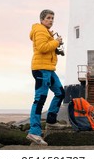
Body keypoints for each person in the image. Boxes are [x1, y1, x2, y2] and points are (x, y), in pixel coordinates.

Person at [26, 9, 65, 146]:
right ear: (42, 19)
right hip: (41, 69)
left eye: (52, 18)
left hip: (48, 69)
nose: (51, 20)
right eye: (48, 18)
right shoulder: (40, 30)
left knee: (60, 93)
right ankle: (34, 132)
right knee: (40, 99)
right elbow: (42, 48)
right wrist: (56, 42)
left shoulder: (46, 32)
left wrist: (56, 47)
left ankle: (51, 120)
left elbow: (46, 48)